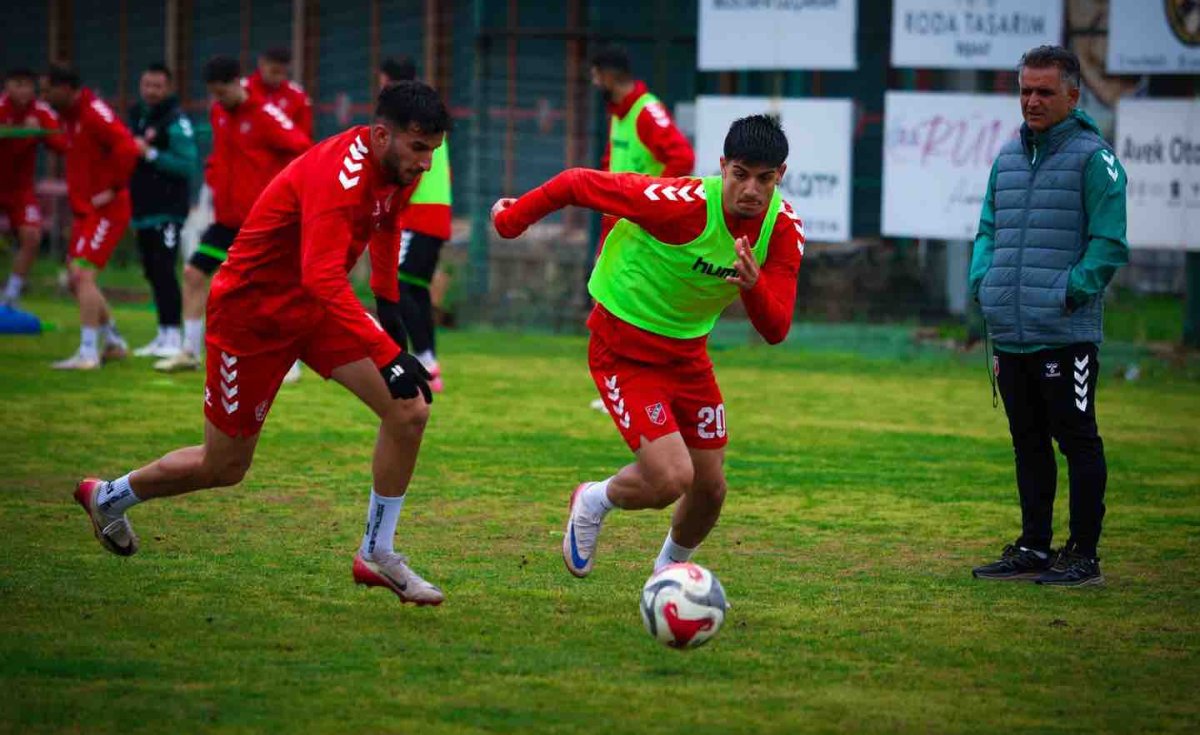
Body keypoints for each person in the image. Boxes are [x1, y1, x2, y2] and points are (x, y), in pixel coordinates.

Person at [73, 81, 449, 606]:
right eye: (419, 149)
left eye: (433, 150)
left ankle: (377, 552)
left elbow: (386, 226)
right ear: (382, 134)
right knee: (223, 466)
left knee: (409, 411)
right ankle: (109, 496)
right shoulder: (339, 177)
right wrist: (387, 353)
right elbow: (321, 276)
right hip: (251, 318)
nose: (426, 164)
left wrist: (388, 308)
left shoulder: (396, 168)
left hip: (314, 311)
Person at [491, 115, 804, 577]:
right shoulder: (681, 205)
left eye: (765, 178)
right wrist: (510, 221)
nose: (751, 189)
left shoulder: (783, 229)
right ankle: (594, 499)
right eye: (740, 174)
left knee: (711, 489)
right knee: (670, 479)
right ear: (722, 167)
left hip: (687, 355)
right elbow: (578, 183)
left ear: (781, 176)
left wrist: (753, 287)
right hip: (623, 348)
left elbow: (776, 328)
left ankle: (669, 578)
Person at [969, 46, 1128, 588]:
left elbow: (1108, 245)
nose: (1031, 101)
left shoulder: (1094, 158)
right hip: (1012, 335)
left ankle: (1083, 555)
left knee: (1077, 439)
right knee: (1027, 441)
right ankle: (1034, 547)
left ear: (1073, 96)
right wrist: (982, 281)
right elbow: (988, 229)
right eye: (1024, 91)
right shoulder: (1007, 157)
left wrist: (1067, 293)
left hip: (1065, 334)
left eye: (1044, 92)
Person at [154, 56, 311, 373]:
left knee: (269, 291)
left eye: (222, 92)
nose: (218, 100)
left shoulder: (266, 115)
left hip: (262, 224)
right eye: (213, 93)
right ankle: (189, 352)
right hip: (226, 221)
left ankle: (290, 361)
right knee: (194, 274)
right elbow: (222, 154)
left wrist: (287, 196)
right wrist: (213, 175)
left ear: (239, 82)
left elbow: (304, 148)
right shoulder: (219, 112)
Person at [43, 64, 141, 370]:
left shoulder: (94, 113)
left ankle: (88, 353)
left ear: (66, 88)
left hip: (107, 210)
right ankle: (113, 342)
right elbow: (69, 148)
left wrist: (112, 188)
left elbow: (127, 147)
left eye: (48, 90)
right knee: (77, 279)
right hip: (87, 212)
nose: (44, 96)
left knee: (83, 275)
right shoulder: (70, 118)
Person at [375, 56, 451, 392]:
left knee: (401, 287)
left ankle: (423, 362)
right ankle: (429, 362)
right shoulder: (430, 116)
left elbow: (414, 173)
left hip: (418, 214)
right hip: (437, 215)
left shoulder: (412, 123)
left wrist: (390, 203)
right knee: (415, 290)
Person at [128, 62, 198, 359]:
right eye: (147, 85)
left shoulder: (176, 120)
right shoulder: (137, 116)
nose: (152, 91)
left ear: (168, 88)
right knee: (152, 271)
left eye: (158, 86)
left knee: (165, 269)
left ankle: (174, 335)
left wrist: (152, 154)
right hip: (142, 207)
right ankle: (162, 334)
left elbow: (188, 165)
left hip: (168, 209)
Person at [0, 67, 67, 307]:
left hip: (21, 190)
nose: (23, 90)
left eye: (27, 85)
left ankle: (10, 296)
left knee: (32, 236)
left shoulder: (41, 112)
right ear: (7, 87)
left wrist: (39, 130)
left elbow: (60, 143)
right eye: (17, 84)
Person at [590, 44, 694, 179]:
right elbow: (610, 162)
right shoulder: (618, 111)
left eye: (596, 77)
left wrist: (657, 195)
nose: (595, 83)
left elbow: (683, 158)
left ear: (608, 77)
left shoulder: (646, 112)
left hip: (641, 200)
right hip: (621, 200)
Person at [246, 46, 313, 138]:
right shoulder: (244, 91)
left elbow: (304, 136)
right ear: (262, 64)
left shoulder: (297, 96)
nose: (278, 78)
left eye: (283, 73)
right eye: (274, 71)